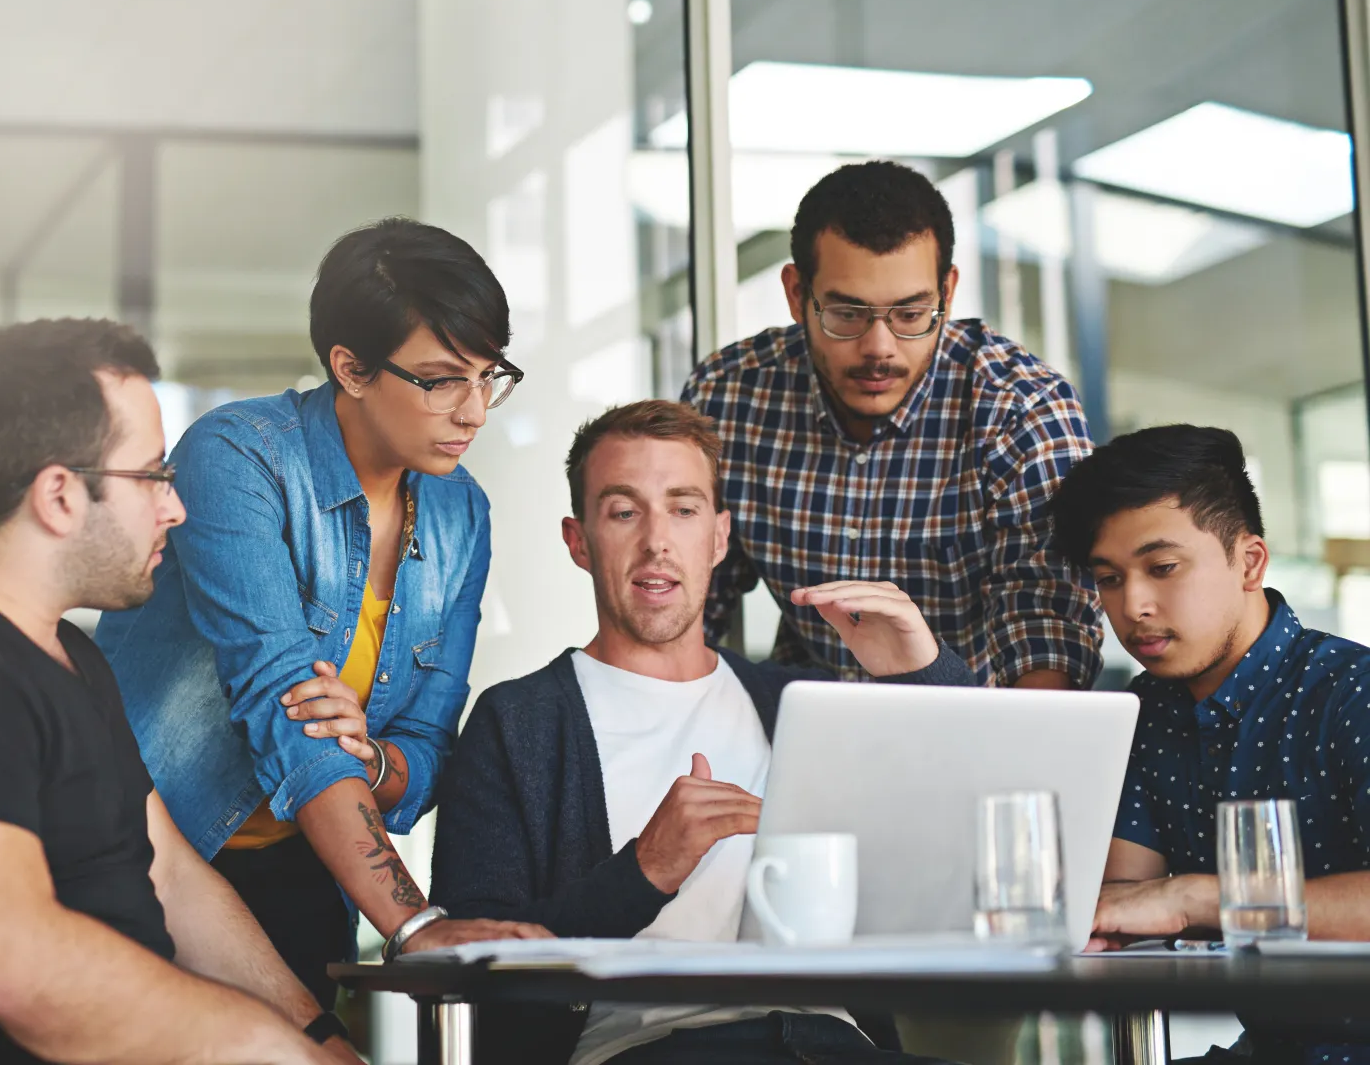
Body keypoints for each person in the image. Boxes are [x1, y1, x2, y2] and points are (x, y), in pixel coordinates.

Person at [0, 319, 357, 1064]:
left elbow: (169, 876)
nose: (176, 507)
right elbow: (19, 970)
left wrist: (317, 1036)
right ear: (60, 496)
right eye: (154, 476)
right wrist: (270, 1049)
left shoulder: (68, 654)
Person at [429, 400, 975, 1065]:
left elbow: (968, 856)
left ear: (718, 538)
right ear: (579, 541)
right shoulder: (518, 722)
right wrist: (645, 870)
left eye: (683, 509)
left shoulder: (797, 705)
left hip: (837, 1045)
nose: (656, 540)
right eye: (624, 511)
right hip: (648, 1050)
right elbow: (473, 968)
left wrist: (921, 673)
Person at [95, 218, 546, 1007]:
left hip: (306, 868)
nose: (474, 411)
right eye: (442, 379)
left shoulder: (458, 512)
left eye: (489, 376)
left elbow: (431, 740)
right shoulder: (239, 458)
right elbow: (288, 710)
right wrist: (413, 925)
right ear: (351, 367)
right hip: (150, 856)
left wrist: (373, 760)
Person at [682, 160, 1101, 688]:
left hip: (979, 725)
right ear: (796, 295)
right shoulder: (728, 396)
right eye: (847, 314)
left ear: (946, 293)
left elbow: (1048, 637)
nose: (878, 349)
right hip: (802, 719)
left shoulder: (1020, 409)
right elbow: (691, 599)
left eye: (909, 314)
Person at [1052, 424, 1370, 1058]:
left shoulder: (1353, 691)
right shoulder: (1144, 711)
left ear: (1249, 562)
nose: (1133, 604)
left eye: (1162, 568)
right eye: (1109, 578)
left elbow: (1163, 901)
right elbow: (1120, 904)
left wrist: (1194, 895)